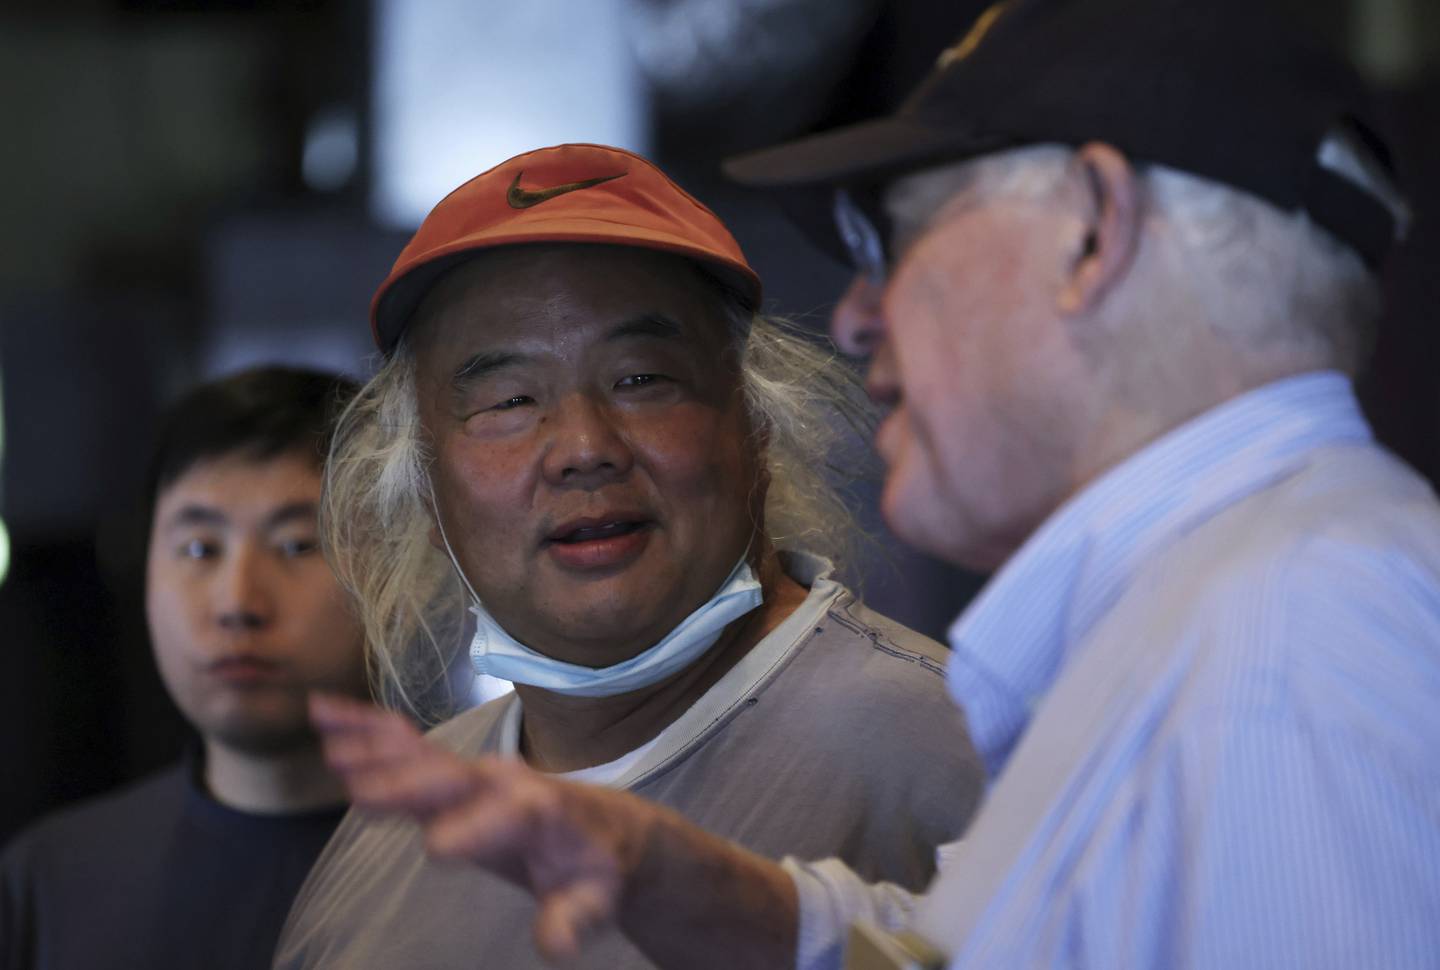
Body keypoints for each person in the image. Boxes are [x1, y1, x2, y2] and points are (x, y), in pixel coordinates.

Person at [296, 0, 1440, 966]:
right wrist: (689, 879)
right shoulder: (1208, 623)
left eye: (901, 233)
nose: (853, 312)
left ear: (1093, 236)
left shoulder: (1296, 636)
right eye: (505, 400)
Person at [273, 143, 984, 969]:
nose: (582, 447)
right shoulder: (395, 834)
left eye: (643, 380)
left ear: (757, 428)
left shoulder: (955, 752)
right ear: (424, 491)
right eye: (508, 401)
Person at [0, 366, 371, 970]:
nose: (237, 603)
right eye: (199, 548)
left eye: (298, 544)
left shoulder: (484, 855)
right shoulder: (48, 880)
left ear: (391, 573)